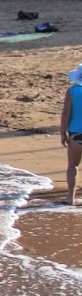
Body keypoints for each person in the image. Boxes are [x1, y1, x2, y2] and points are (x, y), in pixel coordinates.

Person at [61, 63, 82, 206]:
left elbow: (66, 113)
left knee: (73, 165)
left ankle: (70, 197)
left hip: (76, 132)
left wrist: (62, 132)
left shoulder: (72, 91)